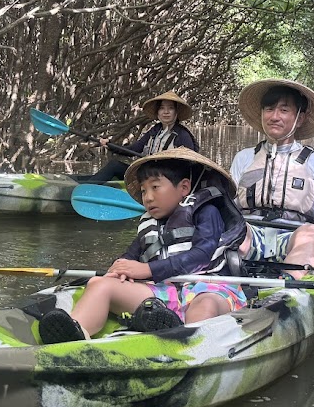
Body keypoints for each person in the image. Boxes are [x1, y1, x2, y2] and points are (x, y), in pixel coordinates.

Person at [39, 147, 248, 343]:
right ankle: (76, 331)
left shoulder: (207, 211)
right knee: (98, 284)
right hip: (166, 291)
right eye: (144, 190)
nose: (148, 197)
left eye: (155, 187)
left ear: (184, 187)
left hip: (209, 288)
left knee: (203, 306)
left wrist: (147, 269)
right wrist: (119, 268)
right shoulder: (150, 222)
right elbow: (132, 254)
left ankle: (188, 345)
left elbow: (201, 256)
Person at [230, 78, 314, 274]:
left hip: (294, 237)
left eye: (284, 110)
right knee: (228, 229)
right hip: (251, 234)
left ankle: (289, 290)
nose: (274, 116)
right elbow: (228, 205)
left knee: (311, 232)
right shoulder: (244, 158)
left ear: (299, 118)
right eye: (269, 109)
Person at [77, 91, 198, 183]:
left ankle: (86, 188)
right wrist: (110, 145)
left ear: (176, 113)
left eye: (170, 108)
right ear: (157, 112)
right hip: (148, 175)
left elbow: (190, 166)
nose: (166, 112)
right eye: (162, 108)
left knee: (115, 166)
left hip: (166, 182)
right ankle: (88, 185)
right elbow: (133, 150)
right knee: (115, 165)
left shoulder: (183, 135)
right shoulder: (155, 131)